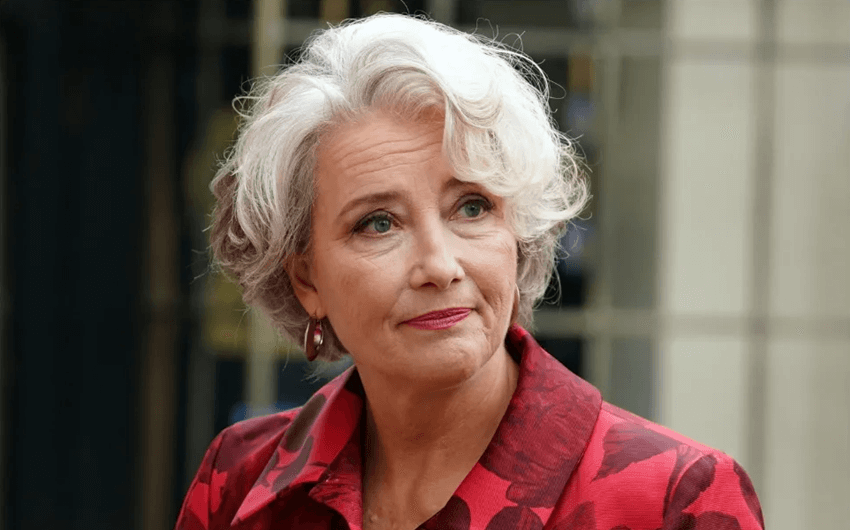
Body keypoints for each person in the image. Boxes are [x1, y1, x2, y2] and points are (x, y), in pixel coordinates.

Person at [175, 13, 765, 530]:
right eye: (378, 223)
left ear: (518, 231)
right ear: (307, 281)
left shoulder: (673, 502)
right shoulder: (239, 481)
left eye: (473, 207)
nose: (438, 265)